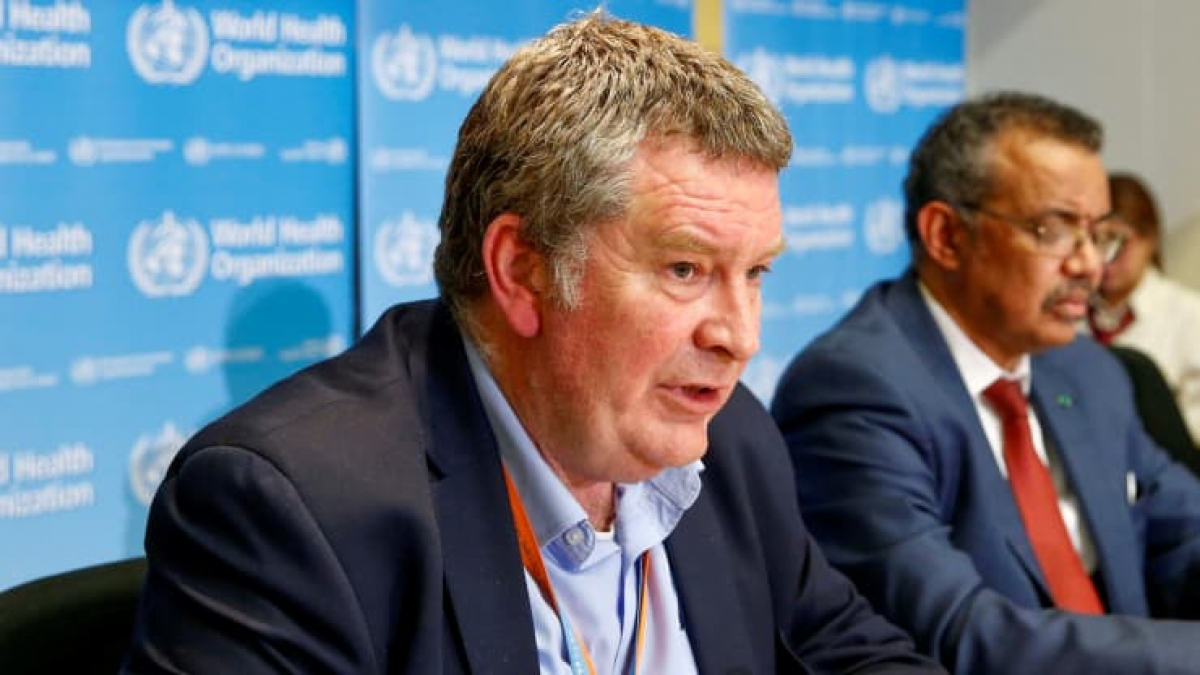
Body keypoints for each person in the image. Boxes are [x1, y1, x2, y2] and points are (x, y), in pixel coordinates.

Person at [122, 13, 942, 674]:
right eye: (685, 269)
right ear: (522, 270)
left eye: (755, 272)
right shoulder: (295, 509)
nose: (740, 336)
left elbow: (849, 648)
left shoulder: (731, 441)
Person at [771, 91, 1200, 674]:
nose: (1089, 266)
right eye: (1053, 230)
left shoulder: (1086, 368)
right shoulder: (853, 390)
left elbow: (1183, 535)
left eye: (1100, 234)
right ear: (947, 235)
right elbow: (959, 633)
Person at [1086, 172, 1200, 442]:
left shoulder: (1189, 316)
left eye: (1117, 240)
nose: (1104, 259)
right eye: (1095, 241)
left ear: (1150, 239)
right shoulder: (1068, 314)